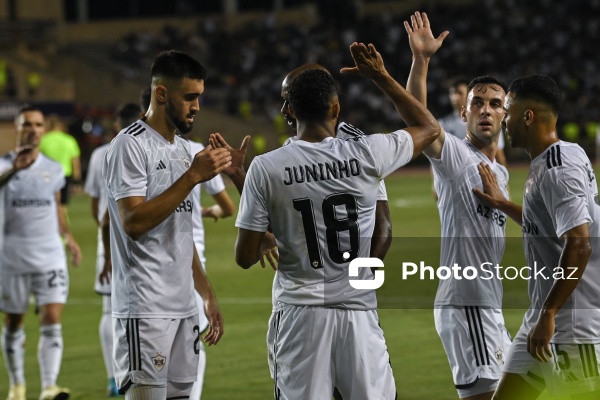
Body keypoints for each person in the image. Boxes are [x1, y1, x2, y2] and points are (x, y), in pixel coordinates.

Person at [229, 41, 440, 399]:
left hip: (300, 318)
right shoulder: (367, 152)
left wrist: (263, 231)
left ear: (289, 111)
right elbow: (429, 126)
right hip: (357, 315)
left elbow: (245, 257)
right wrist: (381, 76)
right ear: (336, 107)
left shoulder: (266, 167)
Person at [102, 50, 228, 399]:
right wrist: (191, 177)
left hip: (184, 306)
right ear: (161, 94)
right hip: (145, 310)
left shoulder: (185, 150)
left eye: (199, 97)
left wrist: (206, 293)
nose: (197, 106)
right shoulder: (130, 146)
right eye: (189, 97)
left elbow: (182, 232)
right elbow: (133, 222)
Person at [404, 12, 511, 400]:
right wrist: (422, 61)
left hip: (488, 302)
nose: (486, 109)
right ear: (463, 114)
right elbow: (418, 119)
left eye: (495, 103)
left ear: (505, 114)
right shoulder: (455, 155)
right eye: (477, 103)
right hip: (466, 302)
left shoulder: (501, 174)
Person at [473, 75, 600, 400]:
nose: (504, 119)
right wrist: (502, 203)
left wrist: (549, 315)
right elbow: (547, 224)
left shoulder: (558, 170)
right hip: (543, 314)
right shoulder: (562, 156)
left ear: (527, 116)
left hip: (570, 323)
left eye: (509, 110)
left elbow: (579, 243)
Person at [0, 106, 82, 400]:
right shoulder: (2, 166)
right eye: (27, 124)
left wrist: (68, 236)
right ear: (17, 129)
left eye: (37, 124)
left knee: (51, 316)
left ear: (44, 130)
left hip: (49, 255)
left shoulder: (54, 169)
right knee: (13, 322)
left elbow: (56, 206)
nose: (33, 129)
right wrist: (14, 170)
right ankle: (17, 386)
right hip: (11, 257)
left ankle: (49, 386)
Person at [84, 102, 143, 397]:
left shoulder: (99, 155)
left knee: (110, 308)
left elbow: (95, 201)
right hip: (132, 237)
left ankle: (113, 377)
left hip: (107, 236)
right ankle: (130, 376)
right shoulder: (140, 147)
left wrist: (100, 230)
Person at [188, 137, 235, 400]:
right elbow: (228, 208)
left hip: (152, 264)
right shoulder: (199, 151)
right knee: (194, 340)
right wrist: (203, 212)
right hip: (193, 260)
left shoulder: (137, 150)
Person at [438, 77, 508, 167]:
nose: (455, 97)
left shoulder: (489, 123)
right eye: (453, 93)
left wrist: (504, 178)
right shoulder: (443, 123)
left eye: (460, 93)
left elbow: (499, 155)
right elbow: (437, 157)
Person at [39, 115, 82, 205]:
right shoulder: (69, 140)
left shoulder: (42, 140)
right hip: (65, 175)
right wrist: (76, 182)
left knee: (49, 203)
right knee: (62, 205)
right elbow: (75, 162)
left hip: (47, 175)